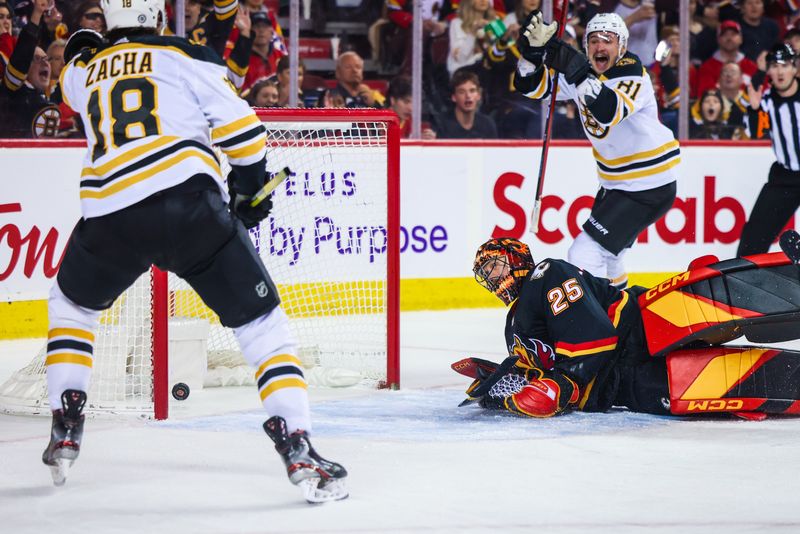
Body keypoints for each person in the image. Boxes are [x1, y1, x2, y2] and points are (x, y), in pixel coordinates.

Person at [42, 0, 347, 503]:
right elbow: (244, 133)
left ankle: (67, 419)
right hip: (187, 208)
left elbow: (72, 65)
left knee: (72, 307)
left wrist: (84, 50)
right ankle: (297, 443)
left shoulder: (87, 74)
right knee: (262, 327)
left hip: (110, 216)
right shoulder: (186, 53)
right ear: (158, 18)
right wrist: (249, 191)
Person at [455, 236, 800, 419]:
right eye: (487, 276)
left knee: (708, 302)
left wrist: (564, 382)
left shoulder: (546, 274)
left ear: (517, 258)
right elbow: (534, 367)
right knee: (715, 387)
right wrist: (495, 385)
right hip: (619, 384)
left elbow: (593, 334)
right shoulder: (513, 326)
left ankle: (772, 285)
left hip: (639, 326)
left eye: (496, 267)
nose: (493, 279)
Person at [513, 11, 678, 288]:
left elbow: (608, 110)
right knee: (611, 259)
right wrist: (532, 54)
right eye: (593, 40)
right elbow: (531, 87)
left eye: (608, 40)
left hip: (647, 185)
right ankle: (621, 317)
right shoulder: (583, 71)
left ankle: (593, 324)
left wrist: (572, 64)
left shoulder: (632, 71)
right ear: (586, 45)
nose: (600, 46)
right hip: (617, 184)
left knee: (584, 253)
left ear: (621, 46)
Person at [738, 43, 800, 256]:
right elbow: (754, 132)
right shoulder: (766, 102)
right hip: (785, 178)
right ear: (769, 72)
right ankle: (745, 285)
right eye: (774, 65)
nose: (780, 71)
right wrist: (754, 109)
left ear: (794, 67)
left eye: (785, 65)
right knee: (752, 241)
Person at [0, 0, 61, 138]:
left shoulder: (53, 96)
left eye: (46, 59)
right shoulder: (12, 92)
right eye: (37, 59)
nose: (45, 63)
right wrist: (37, 14)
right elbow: (22, 54)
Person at [697, 20, 758, 95]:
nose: (729, 38)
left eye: (733, 34)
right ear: (718, 39)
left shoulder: (752, 67)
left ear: (741, 39)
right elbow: (705, 96)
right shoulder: (707, 68)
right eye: (725, 34)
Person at [436, 68, 498, 138]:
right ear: (454, 97)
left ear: (479, 95)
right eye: (462, 92)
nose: (468, 96)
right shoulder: (440, 123)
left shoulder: (487, 124)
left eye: (472, 91)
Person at [387, 74, 436, 139]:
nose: (411, 108)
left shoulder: (411, 121)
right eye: (406, 102)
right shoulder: (380, 123)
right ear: (393, 100)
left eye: (414, 103)